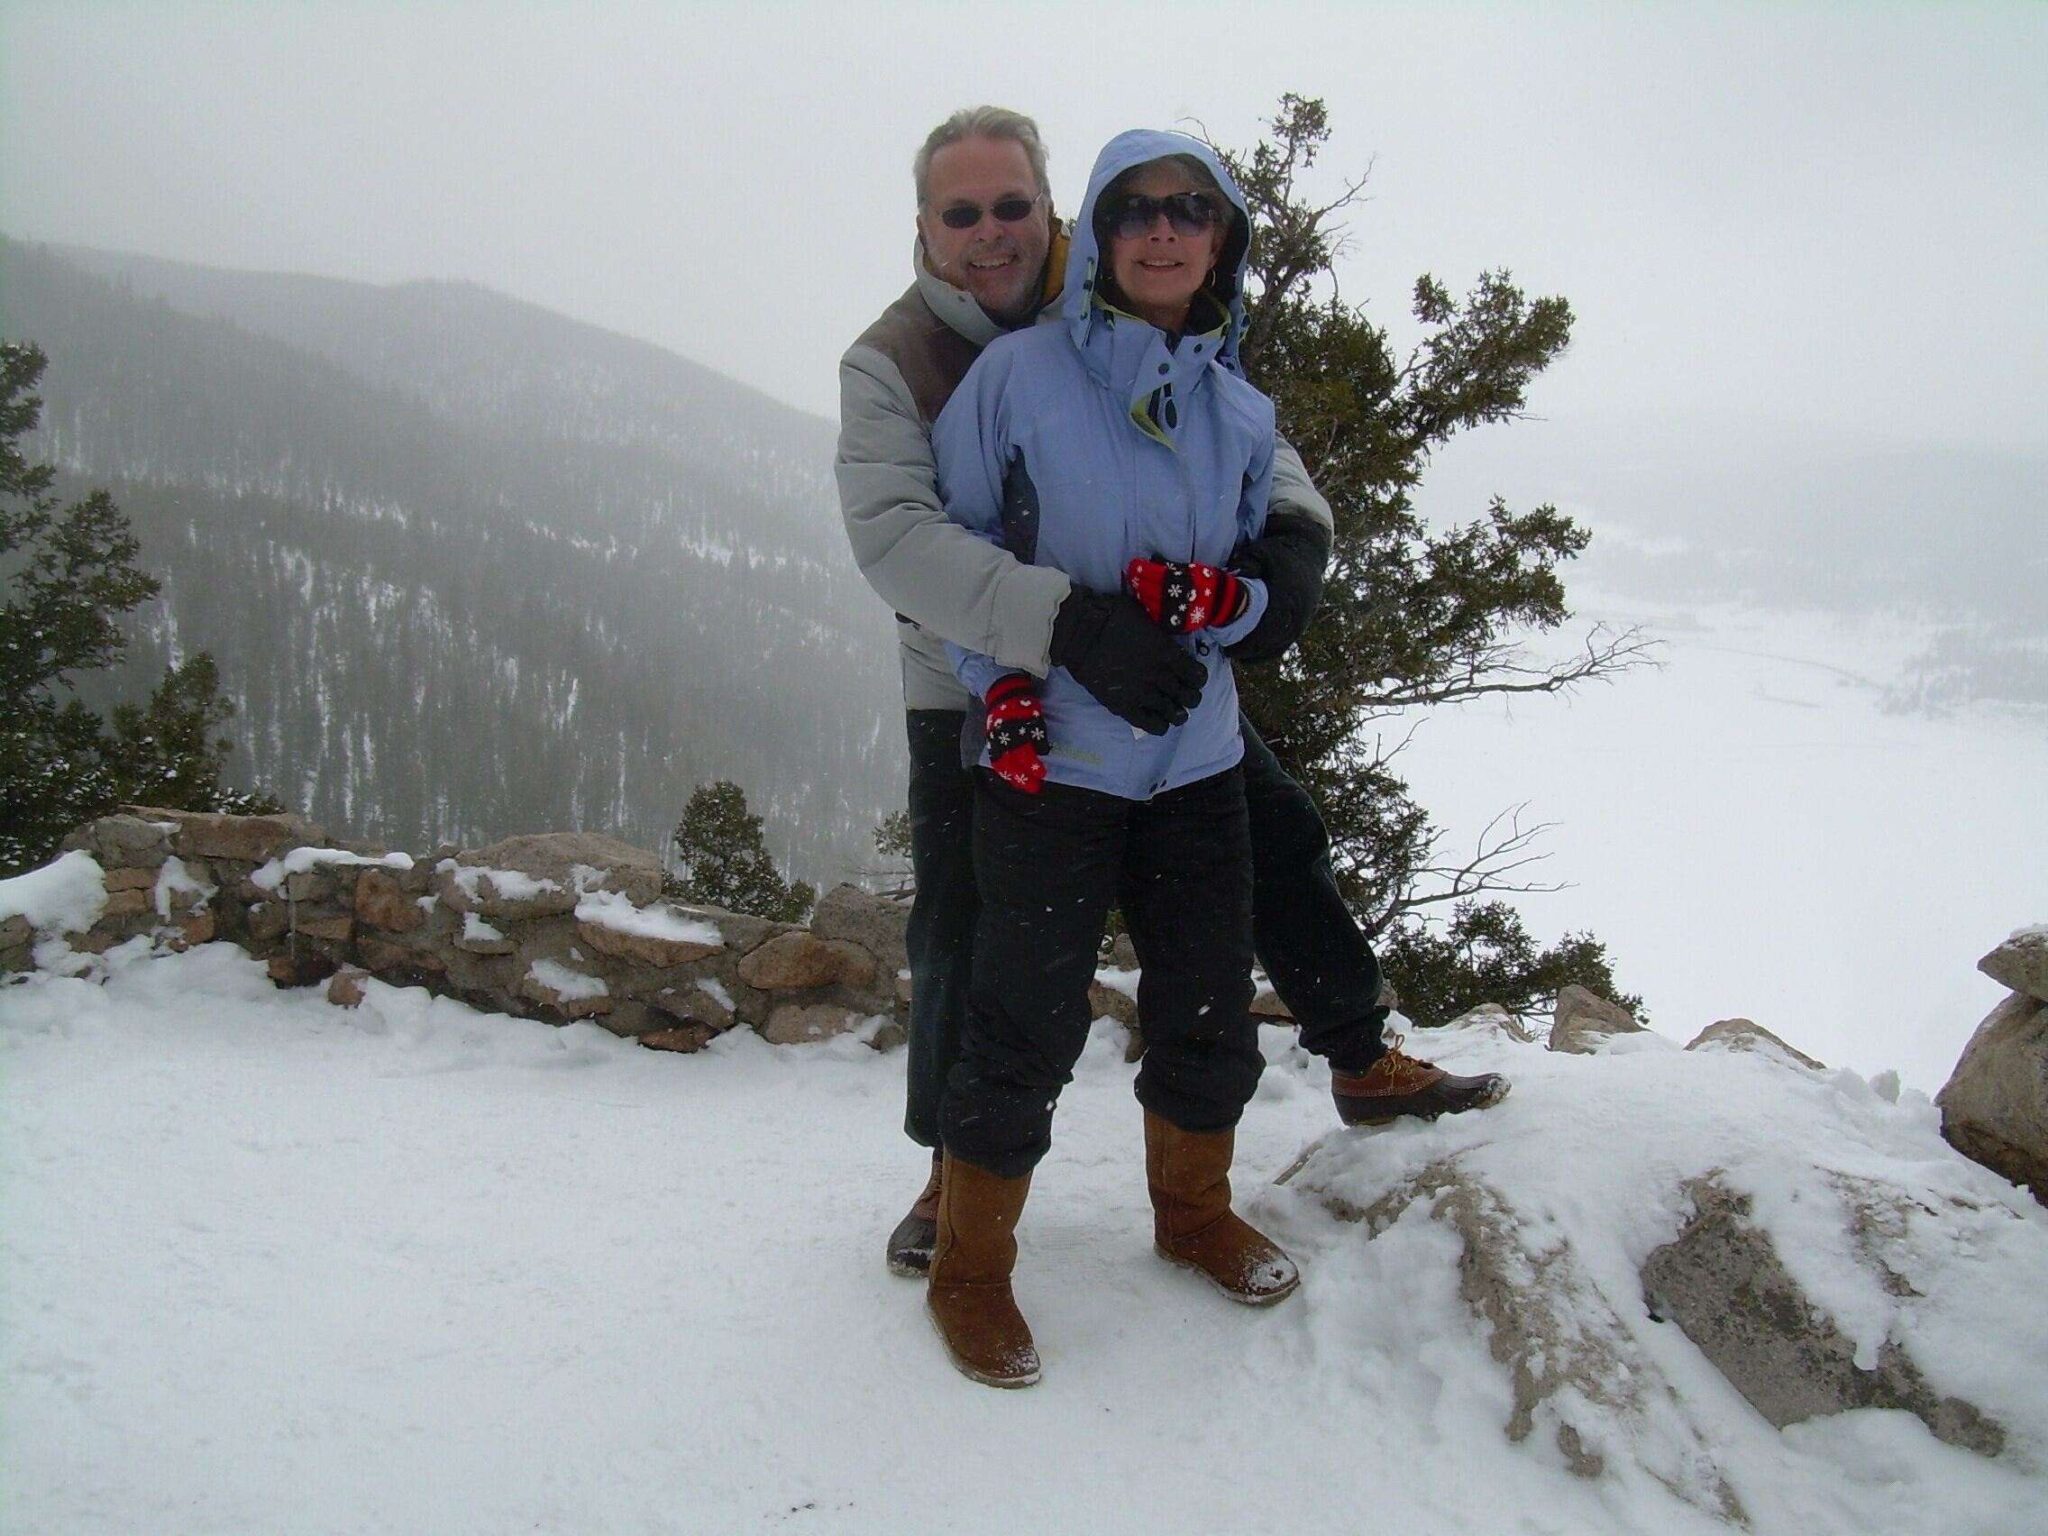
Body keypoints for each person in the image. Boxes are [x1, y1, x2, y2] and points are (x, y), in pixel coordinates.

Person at [834, 106, 1507, 1287]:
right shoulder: (892, 359)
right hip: (972, 675)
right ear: (925, 229)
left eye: (1011, 207)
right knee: (961, 920)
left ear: (1050, 211)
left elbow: (1222, 410)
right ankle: (953, 1173)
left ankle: (1355, 1052)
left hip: (1160, 681)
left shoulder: (1107, 280)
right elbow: (897, 539)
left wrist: (1292, 543)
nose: (989, 234)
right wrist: (1060, 631)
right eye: (961, 214)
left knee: (1275, 842)